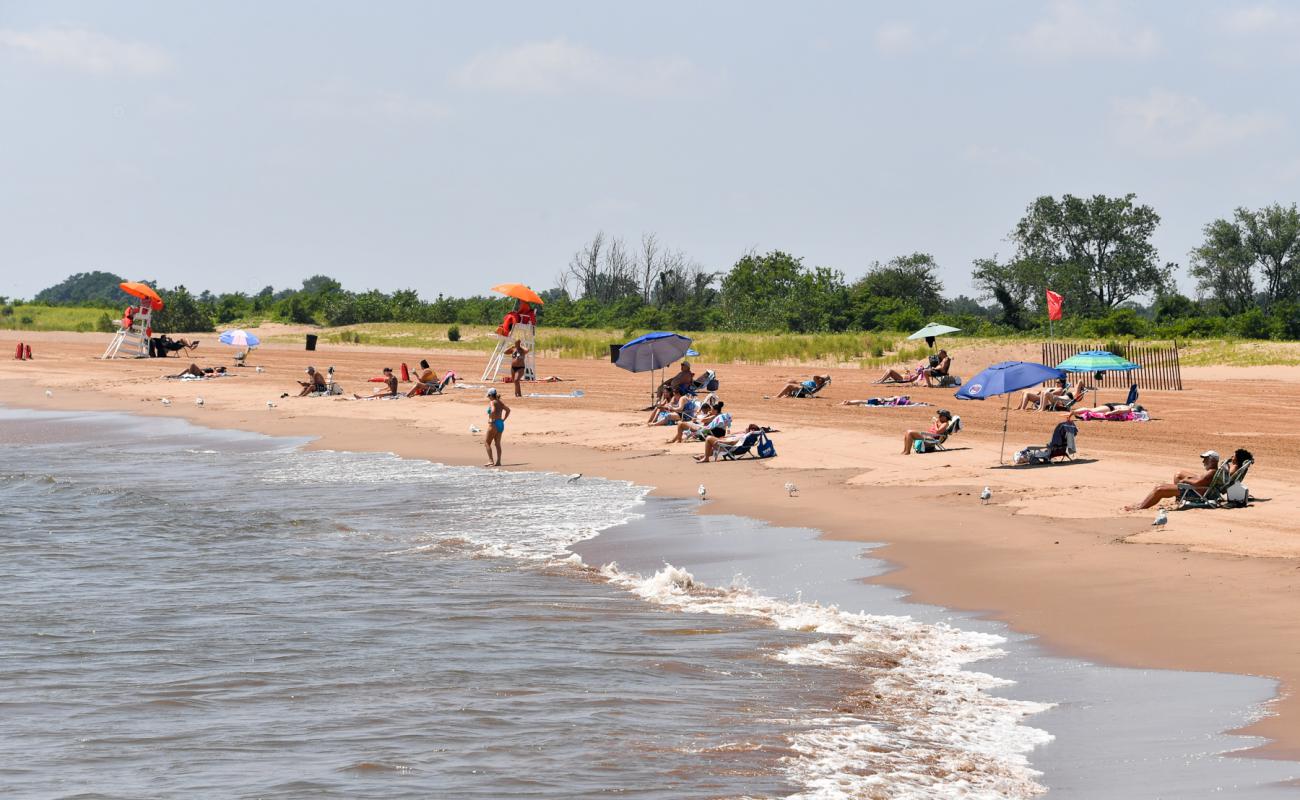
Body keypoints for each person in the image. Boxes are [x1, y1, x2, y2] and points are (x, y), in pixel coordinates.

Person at [1124, 450, 1221, 510]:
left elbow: (1198, 483)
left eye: (1206, 459)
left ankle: (1141, 507)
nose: (1203, 461)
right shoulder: (1213, 471)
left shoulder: (1211, 472)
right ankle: (1142, 504)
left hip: (1195, 492)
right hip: (1200, 489)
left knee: (1159, 489)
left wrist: (1186, 481)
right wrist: (1189, 479)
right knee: (1178, 474)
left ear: (1212, 460)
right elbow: (1202, 481)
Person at [694, 423, 762, 463]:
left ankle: (706, 458)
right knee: (714, 441)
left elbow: (733, 442)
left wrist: (723, 441)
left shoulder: (744, 436)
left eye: (748, 428)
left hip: (731, 447)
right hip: (737, 448)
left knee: (709, 438)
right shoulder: (750, 436)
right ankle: (703, 455)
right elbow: (734, 438)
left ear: (751, 430)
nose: (746, 428)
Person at [484, 387, 511, 467]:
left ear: (490, 395)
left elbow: (492, 410)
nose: (488, 398)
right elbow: (508, 410)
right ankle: (498, 462)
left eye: (488, 396)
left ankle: (490, 461)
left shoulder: (492, 402)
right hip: (500, 424)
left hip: (494, 423)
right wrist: (503, 419)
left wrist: (491, 419)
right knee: (497, 444)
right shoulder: (499, 402)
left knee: (487, 443)